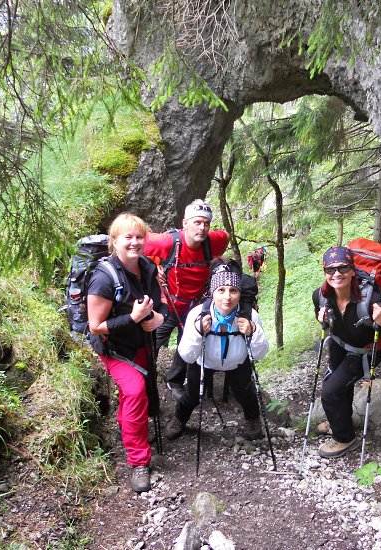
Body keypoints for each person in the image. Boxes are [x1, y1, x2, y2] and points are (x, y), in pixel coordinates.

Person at [87, 213, 166, 493]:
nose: (134, 242)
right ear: (114, 241)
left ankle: (129, 432)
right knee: (134, 392)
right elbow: (95, 326)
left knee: (138, 393)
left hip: (141, 342)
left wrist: (157, 317)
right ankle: (138, 461)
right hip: (115, 348)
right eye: (127, 237)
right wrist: (133, 318)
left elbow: (158, 303)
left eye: (139, 237)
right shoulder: (103, 279)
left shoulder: (146, 267)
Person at [312, 246, 381, 458]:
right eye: (330, 270)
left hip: (367, 351)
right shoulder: (320, 296)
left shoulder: (371, 299)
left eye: (343, 268)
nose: (336, 274)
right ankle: (340, 420)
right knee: (339, 384)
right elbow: (325, 320)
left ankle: (344, 438)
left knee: (330, 391)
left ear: (353, 270)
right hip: (339, 344)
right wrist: (321, 319)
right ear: (324, 272)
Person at [164, 261, 269, 441]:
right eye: (221, 290)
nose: (227, 297)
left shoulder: (250, 315)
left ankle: (253, 421)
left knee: (245, 392)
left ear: (239, 292)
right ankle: (179, 420)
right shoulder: (198, 314)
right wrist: (198, 332)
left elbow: (260, 354)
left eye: (233, 290)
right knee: (192, 394)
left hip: (237, 361)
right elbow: (187, 355)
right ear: (212, 292)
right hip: (204, 361)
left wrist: (253, 331)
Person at [144, 200, 229, 401]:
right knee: (153, 343)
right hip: (167, 305)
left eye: (206, 223)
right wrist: (153, 268)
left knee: (188, 344)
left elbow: (225, 237)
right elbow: (137, 245)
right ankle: (146, 383)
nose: (202, 227)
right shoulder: (165, 242)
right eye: (197, 222)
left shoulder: (214, 241)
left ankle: (175, 381)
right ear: (185, 223)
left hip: (194, 306)